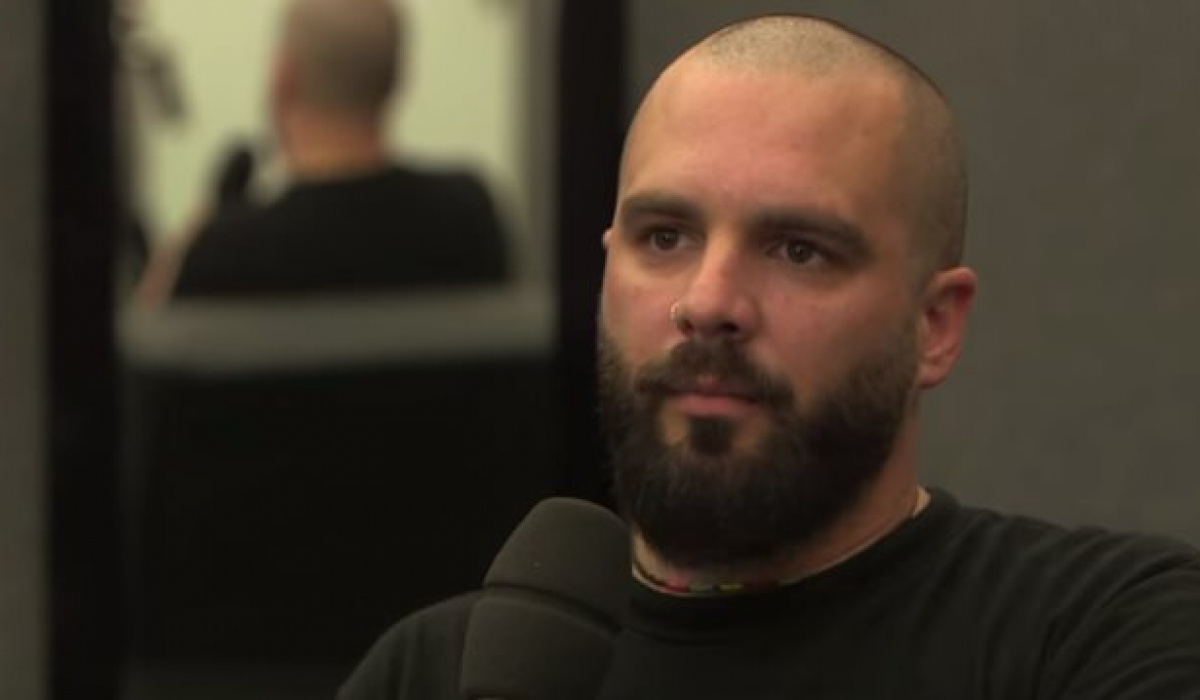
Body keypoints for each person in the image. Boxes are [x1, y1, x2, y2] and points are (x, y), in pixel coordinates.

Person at [338, 14, 1200, 699]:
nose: (709, 301)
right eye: (665, 236)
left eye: (797, 250)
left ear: (933, 325)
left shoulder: (1098, 635)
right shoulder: (443, 671)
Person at [137, 0, 508, 302]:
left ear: (283, 79)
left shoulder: (225, 253)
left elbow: (145, 346)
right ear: (397, 78)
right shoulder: (469, 217)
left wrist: (202, 224)